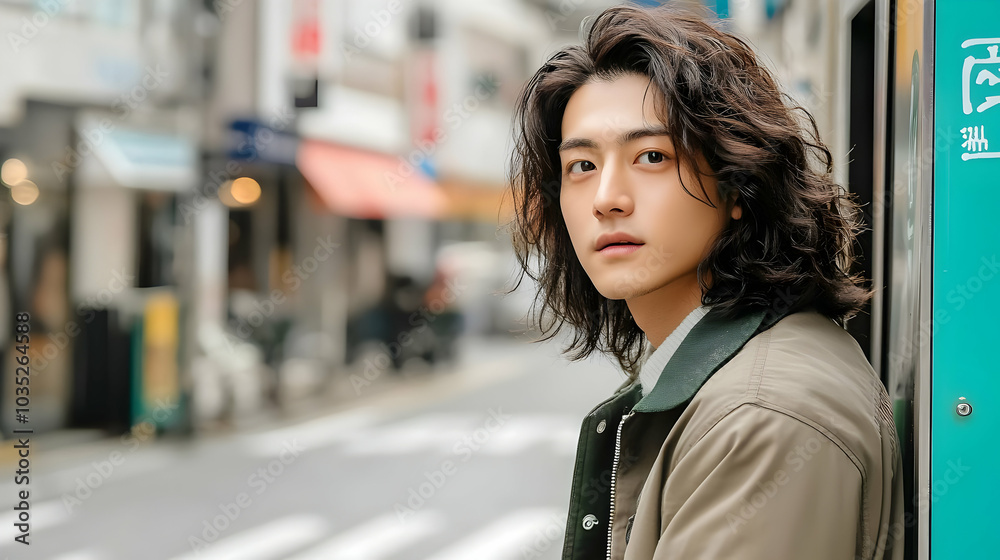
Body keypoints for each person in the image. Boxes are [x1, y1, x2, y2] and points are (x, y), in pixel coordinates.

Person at [504, 4, 904, 559]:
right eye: (582, 166)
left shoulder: (760, 418)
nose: (606, 199)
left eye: (651, 156)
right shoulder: (736, 376)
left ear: (738, 183)